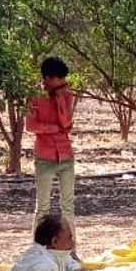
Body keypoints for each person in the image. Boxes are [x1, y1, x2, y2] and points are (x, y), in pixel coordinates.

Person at [27, 57, 78, 239]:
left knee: (68, 206)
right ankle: (38, 247)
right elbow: (31, 126)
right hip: (44, 157)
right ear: (47, 78)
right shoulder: (34, 96)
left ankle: (70, 248)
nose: (64, 82)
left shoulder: (66, 95)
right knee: (42, 207)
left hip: (65, 156)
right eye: (59, 78)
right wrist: (52, 129)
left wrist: (60, 100)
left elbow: (67, 123)